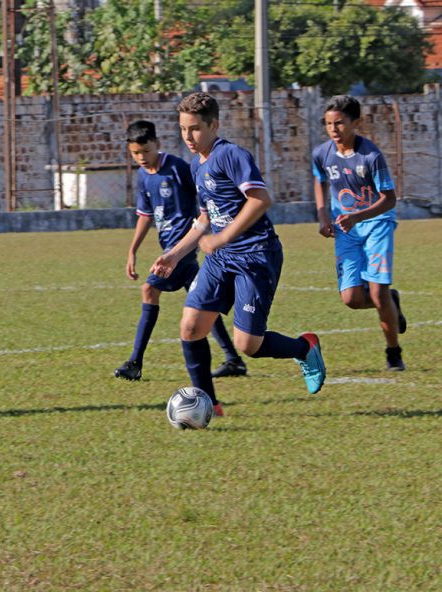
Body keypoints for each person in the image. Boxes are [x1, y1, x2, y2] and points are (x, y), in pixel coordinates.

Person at [150, 92, 326, 416]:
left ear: (214, 125)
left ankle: (305, 347)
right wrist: (174, 254)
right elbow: (206, 217)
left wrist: (222, 238)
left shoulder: (230, 155)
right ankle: (208, 405)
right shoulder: (195, 166)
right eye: (183, 129)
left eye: (195, 129)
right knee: (190, 327)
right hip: (221, 258)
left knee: (249, 345)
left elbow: (260, 199)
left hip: (255, 254)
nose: (188, 137)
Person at [114, 120, 247, 382]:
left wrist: (207, 230)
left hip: (183, 247)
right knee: (202, 303)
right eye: (136, 153)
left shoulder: (178, 169)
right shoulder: (143, 175)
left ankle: (135, 362)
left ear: (158, 145)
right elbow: (145, 215)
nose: (142, 157)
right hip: (170, 249)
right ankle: (233, 359)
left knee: (149, 290)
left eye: (146, 151)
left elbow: (205, 200)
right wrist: (133, 251)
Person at [312, 95, 406, 371]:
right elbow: (319, 180)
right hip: (346, 229)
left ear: (356, 122)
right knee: (351, 299)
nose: (333, 129)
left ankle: (393, 353)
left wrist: (358, 216)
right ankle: (392, 301)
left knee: (377, 293)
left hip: (377, 224)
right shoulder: (322, 154)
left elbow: (389, 199)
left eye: (339, 123)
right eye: (329, 123)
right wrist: (322, 216)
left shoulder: (371, 156)